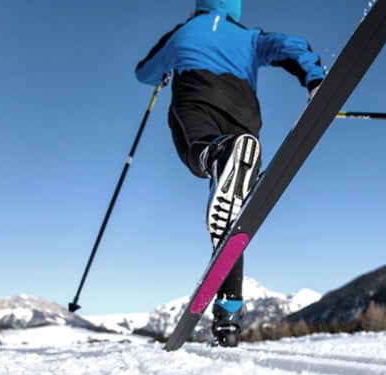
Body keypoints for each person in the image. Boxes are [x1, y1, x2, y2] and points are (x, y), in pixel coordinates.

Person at [135, 0, 325, 347]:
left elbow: (144, 71)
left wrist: (162, 73)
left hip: (195, 99)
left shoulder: (181, 34)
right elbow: (291, 46)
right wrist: (314, 79)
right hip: (243, 115)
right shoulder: (250, 36)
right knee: (231, 222)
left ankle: (216, 154)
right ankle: (228, 320)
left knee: (202, 150)